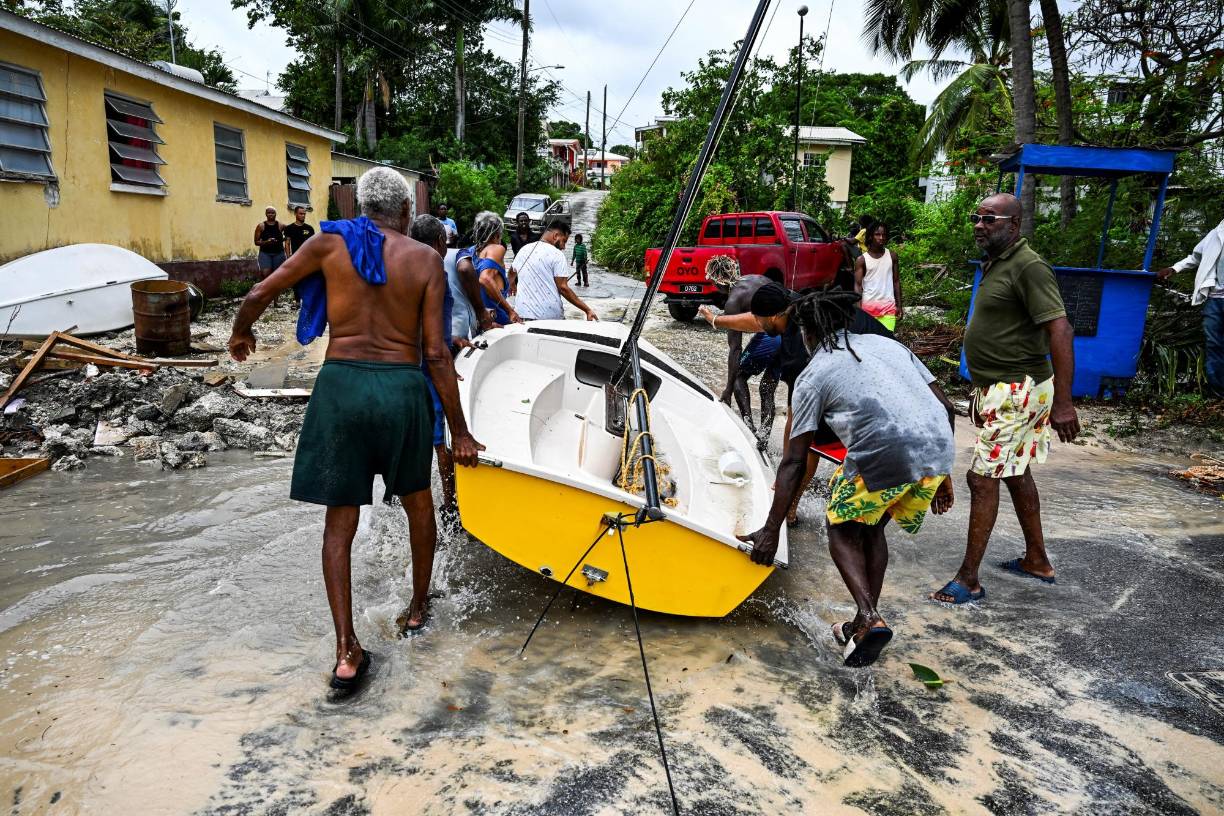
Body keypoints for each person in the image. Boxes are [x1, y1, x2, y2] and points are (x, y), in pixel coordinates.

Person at [227, 167, 483, 694]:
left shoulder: (327, 244)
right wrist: (460, 432)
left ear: (360, 208)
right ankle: (416, 610)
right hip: (401, 389)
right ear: (407, 213)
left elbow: (258, 292)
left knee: (339, 521)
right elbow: (436, 354)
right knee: (418, 502)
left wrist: (240, 333)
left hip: (340, 387)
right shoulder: (426, 259)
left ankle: (346, 650)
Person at [737, 288, 956, 667]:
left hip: (886, 451)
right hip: (937, 449)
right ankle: (860, 623)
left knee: (840, 527)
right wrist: (942, 472)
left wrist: (772, 529)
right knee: (870, 528)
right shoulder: (888, 345)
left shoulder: (814, 373)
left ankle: (869, 618)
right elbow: (947, 407)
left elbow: (793, 461)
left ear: (807, 332)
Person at [930, 193, 1079, 606]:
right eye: (977, 218)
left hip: (1019, 389)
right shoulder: (997, 262)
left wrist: (1064, 403)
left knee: (982, 477)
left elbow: (1061, 331)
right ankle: (1037, 559)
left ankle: (969, 579)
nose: (980, 225)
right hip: (999, 389)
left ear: (1015, 224)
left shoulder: (1029, 266)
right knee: (1014, 471)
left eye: (990, 219)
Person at [706, 280, 896, 523]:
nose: (758, 325)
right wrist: (715, 320)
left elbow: (797, 424)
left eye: (761, 320)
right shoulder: (800, 306)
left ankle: (789, 510)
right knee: (815, 439)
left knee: (808, 445)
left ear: (774, 317)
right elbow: (756, 321)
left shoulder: (800, 351)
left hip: (880, 403)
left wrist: (784, 474)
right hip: (893, 368)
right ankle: (792, 508)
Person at [410, 214, 466, 523]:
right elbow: (432, 341)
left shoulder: (402, 267)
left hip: (405, 362)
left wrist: (452, 337)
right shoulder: (435, 272)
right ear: (440, 243)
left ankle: (395, 491)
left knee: (411, 429)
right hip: (430, 363)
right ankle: (450, 503)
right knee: (441, 434)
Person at [697, 257, 783, 449]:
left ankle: (750, 430)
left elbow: (735, 349)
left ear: (718, 282)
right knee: (767, 387)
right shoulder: (756, 278)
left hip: (771, 335)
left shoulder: (733, 301)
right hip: (789, 334)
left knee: (739, 378)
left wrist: (727, 389)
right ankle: (765, 438)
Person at [1157, 216, 1224, 395]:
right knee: (1214, 344)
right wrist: (1174, 268)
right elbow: (1195, 257)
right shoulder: (1216, 233)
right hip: (1215, 298)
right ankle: (1218, 395)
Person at [512, 222, 598, 321]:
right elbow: (563, 288)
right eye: (564, 241)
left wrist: (513, 286)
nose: (564, 247)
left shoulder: (524, 249)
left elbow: (511, 273)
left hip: (522, 316)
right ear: (556, 236)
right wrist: (587, 310)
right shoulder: (557, 255)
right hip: (549, 318)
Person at [469, 210, 520, 325]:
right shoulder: (496, 248)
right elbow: (485, 279)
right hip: (496, 316)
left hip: (478, 318)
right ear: (497, 234)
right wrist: (510, 311)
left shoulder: (471, 251)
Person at [855, 222, 902, 330]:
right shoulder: (861, 260)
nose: (881, 238)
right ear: (871, 236)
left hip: (888, 309)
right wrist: (859, 310)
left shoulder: (892, 256)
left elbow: (896, 281)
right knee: (870, 342)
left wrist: (899, 306)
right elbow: (858, 286)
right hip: (868, 309)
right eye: (877, 234)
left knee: (888, 341)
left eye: (884, 235)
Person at [283, 206, 316, 306]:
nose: (303, 215)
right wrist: (288, 257)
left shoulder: (309, 228)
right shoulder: (289, 228)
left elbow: (313, 244)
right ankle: (297, 301)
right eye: (301, 213)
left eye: (304, 214)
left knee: (308, 279)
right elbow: (287, 243)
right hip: (295, 258)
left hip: (308, 259)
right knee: (296, 280)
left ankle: (308, 301)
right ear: (295, 214)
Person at [254, 206, 285, 278]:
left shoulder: (281, 225)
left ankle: (278, 289)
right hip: (265, 253)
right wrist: (266, 242)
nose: (271, 214)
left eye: (272, 213)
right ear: (266, 214)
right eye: (269, 213)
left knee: (278, 275)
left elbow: (289, 234)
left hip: (279, 253)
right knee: (266, 274)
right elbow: (256, 242)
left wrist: (283, 239)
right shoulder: (261, 226)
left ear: (275, 214)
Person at [837, 222, 863, 291]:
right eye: (851, 228)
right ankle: (850, 266)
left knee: (843, 244)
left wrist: (844, 238)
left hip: (862, 253)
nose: (852, 229)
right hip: (857, 254)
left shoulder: (861, 232)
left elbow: (852, 242)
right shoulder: (850, 234)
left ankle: (850, 267)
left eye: (853, 228)